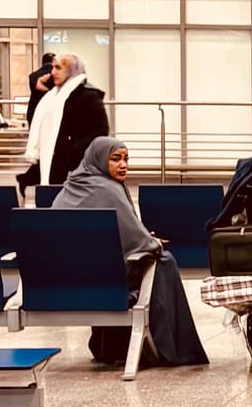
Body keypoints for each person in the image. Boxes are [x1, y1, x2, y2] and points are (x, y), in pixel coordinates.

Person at [55, 137, 209, 368]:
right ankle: (170, 348)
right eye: (116, 159)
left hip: (67, 284)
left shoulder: (68, 188)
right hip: (106, 284)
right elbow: (138, 242)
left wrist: (142, 237)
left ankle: (110, 346)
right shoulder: (109, 190)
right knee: (163, 261)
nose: (123, 165)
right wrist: (152, 242)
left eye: (126, 159)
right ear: (100, 160)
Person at [22, 52, 109, 194]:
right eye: (53, 67)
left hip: (76, 168)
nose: (53, 72)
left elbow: (100, 131)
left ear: (71, 70)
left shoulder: (88, 96)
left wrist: (70, 151)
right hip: (56, 165)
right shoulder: (53, 95)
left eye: (58, 68)